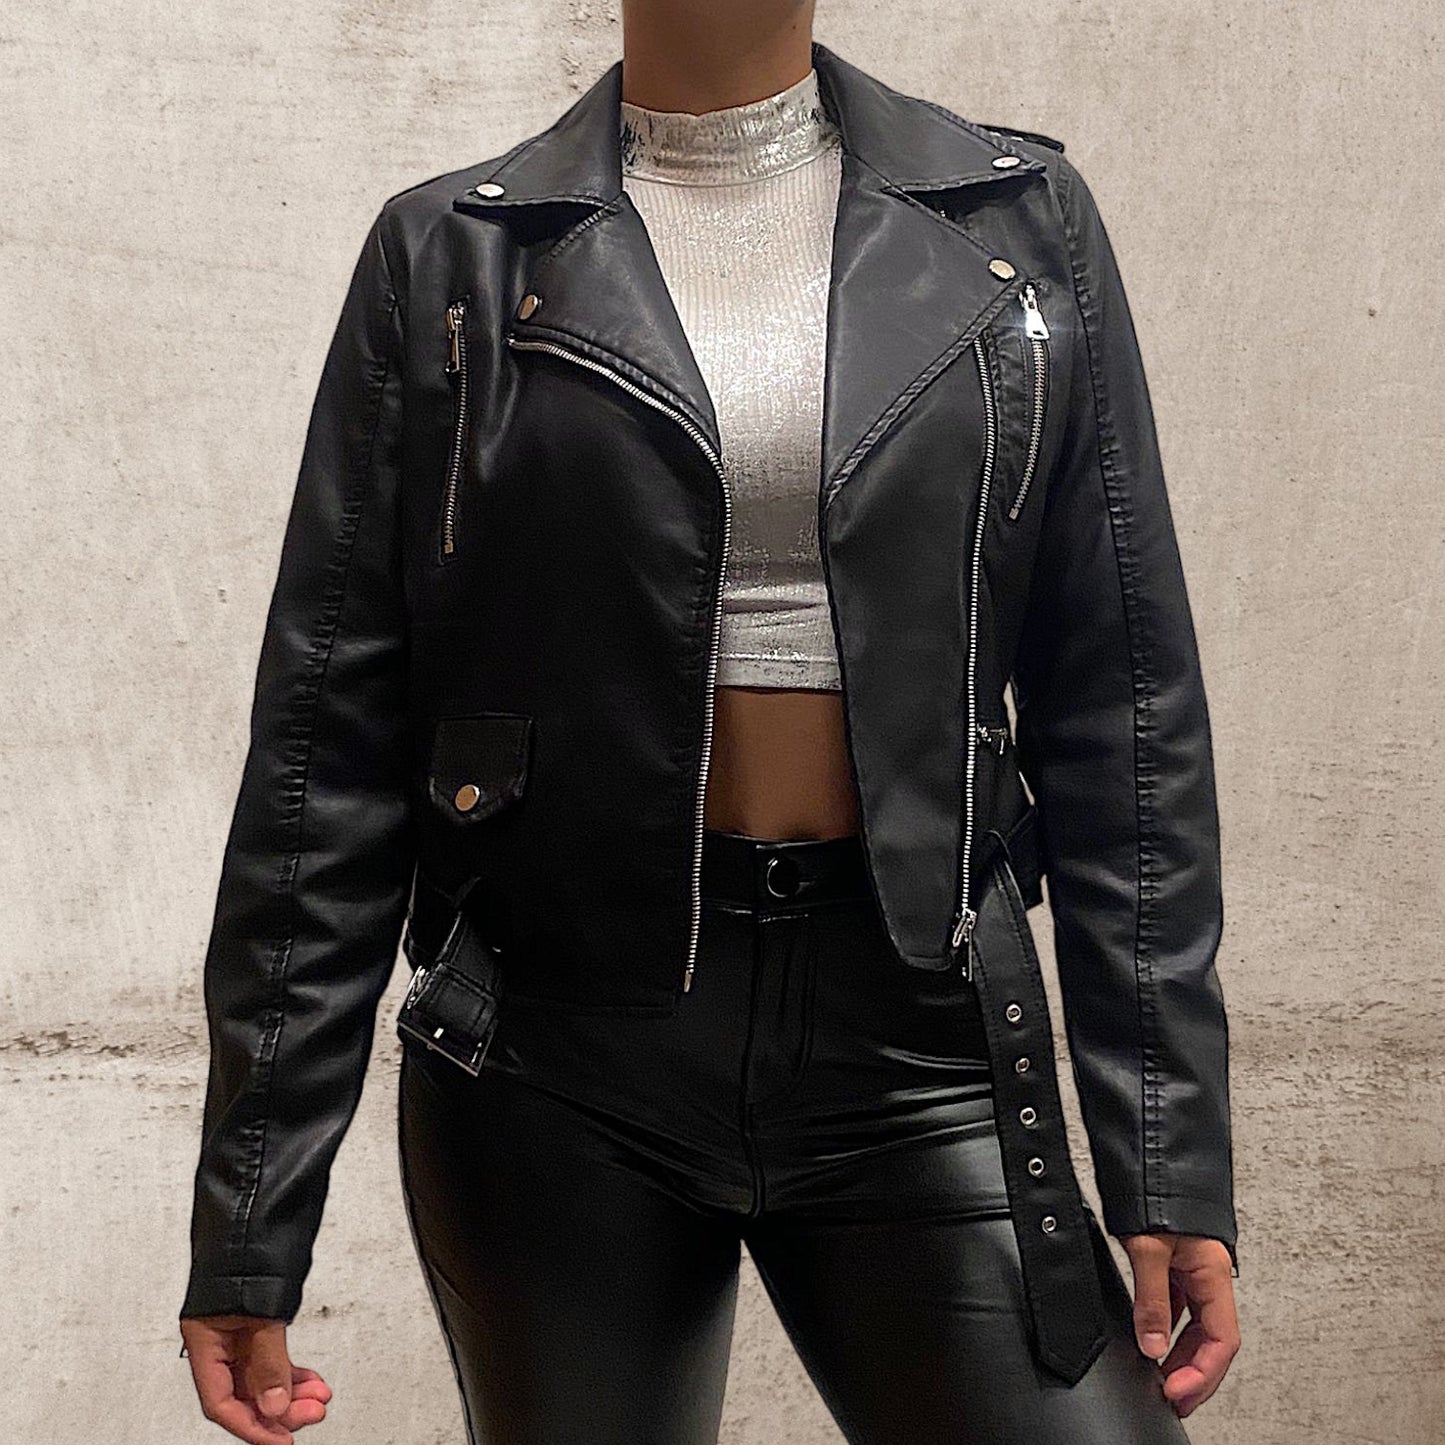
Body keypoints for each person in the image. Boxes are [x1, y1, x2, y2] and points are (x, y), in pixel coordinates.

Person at [178, 4, 1242, 1442]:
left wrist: (1165, 1156)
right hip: (557, 1056)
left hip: (913, 1035)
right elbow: (331, 747)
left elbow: (1125, 711)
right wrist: (251, 1221)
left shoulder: (1015, 221)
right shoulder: (453, 254)